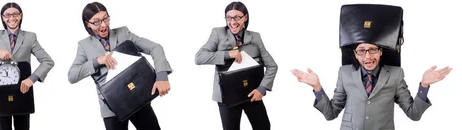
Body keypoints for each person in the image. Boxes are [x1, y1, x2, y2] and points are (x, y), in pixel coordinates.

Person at [291, 4, 453, 130]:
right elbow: (331, 114)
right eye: (361, 51)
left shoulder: (396, 74)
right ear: (354, 53)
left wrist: (424, 85)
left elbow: (414, 114)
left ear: (381, 51)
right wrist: (317, 87)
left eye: (373, 49)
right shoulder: (345, 72)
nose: (368, 56)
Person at [68, 2, 173, 130]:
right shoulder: (84, 46)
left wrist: (161, 76)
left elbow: (155, 48)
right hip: (112, 109)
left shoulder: (123, 33)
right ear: (87, 24)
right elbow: (72, 75)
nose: (103, 25)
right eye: (96, 22)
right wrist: (97, 61)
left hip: (138, 98)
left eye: (105, 18)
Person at [0, 2, 54, 130]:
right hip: (0, 90)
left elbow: (48, 61)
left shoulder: (30, 37)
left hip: (22, 88)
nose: (12, 18)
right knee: (3, 127)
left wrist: (32, 79)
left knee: (23, 126)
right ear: (3, 18)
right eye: (7, 15)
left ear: (20, 16)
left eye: (15, 14)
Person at [194, 1, 278, 130]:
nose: (232, 22)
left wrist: (262, 89)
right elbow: (199, 58)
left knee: (263, 126)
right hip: (227, 96)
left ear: (245, 17)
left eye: (237, 17)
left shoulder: (255, 37)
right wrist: (227, 54)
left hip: (251, 93)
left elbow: (272, 66)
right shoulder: (218, 33)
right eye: (229, 17)